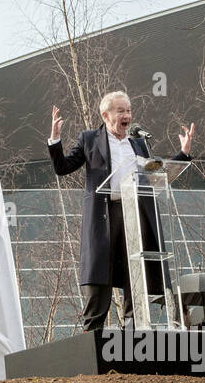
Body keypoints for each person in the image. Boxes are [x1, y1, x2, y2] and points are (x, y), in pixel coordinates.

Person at [48, 91, 194, 331]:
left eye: (128, 110)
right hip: (105, 217)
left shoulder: (139, 143)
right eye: (121, 111)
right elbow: (62, 168)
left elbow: (155, 177)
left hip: (135, 215)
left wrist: (183, 154)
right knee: (99, 282)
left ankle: (133, 333)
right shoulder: (90, 139)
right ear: (105, 115)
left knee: (135, 277)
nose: (127, 115)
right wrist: (55, 139)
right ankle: (92, 334)